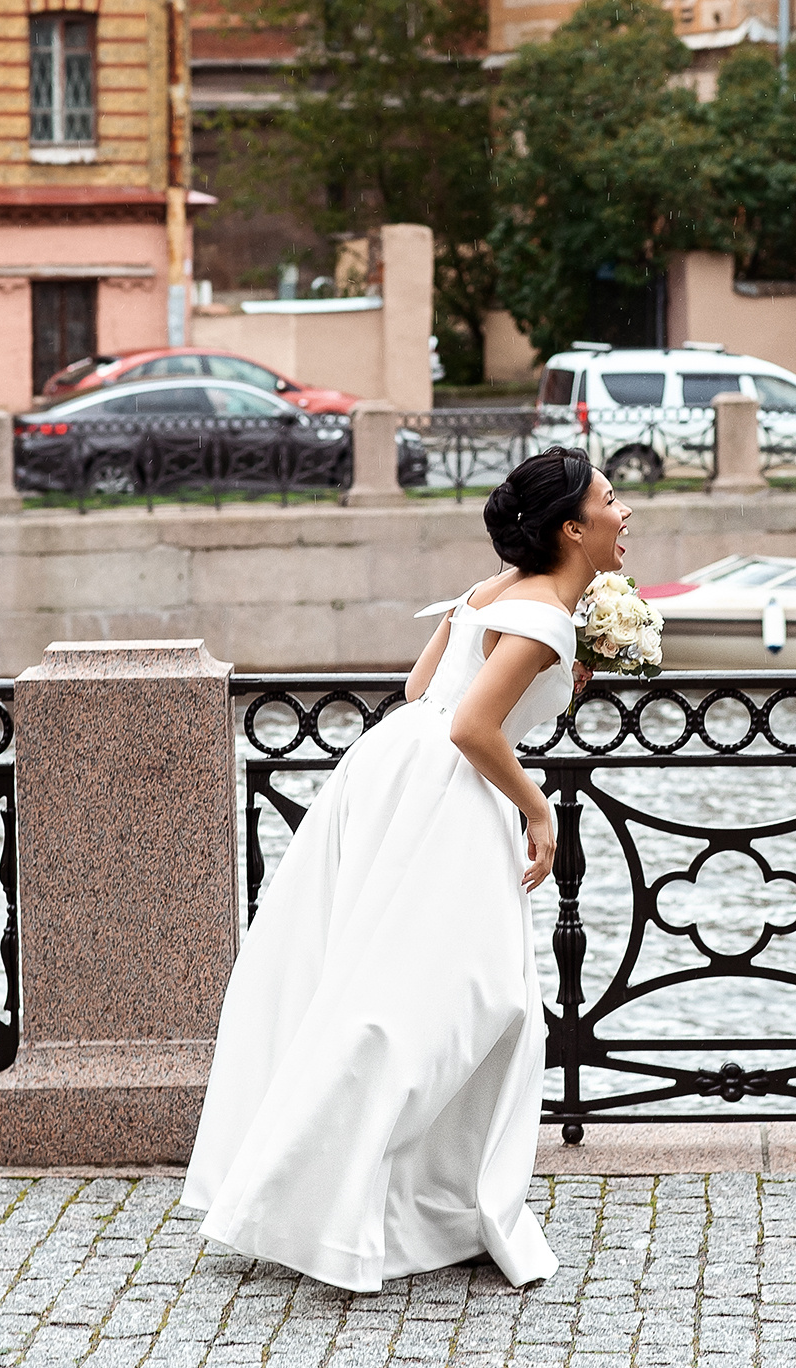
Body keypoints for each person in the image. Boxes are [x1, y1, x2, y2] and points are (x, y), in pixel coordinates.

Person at [182, 446, 631, 1291]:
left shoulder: (492, 593)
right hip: (449, 795)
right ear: (573, 529)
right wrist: (538, 811)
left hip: (393, 769)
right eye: (612, 500)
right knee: (453, 1006)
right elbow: (471, 727)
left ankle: (407, 1204)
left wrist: (552, 675)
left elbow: (420, 690)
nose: (625, 514)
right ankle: (346, 1202)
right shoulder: (541, 614)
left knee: (397, 989)